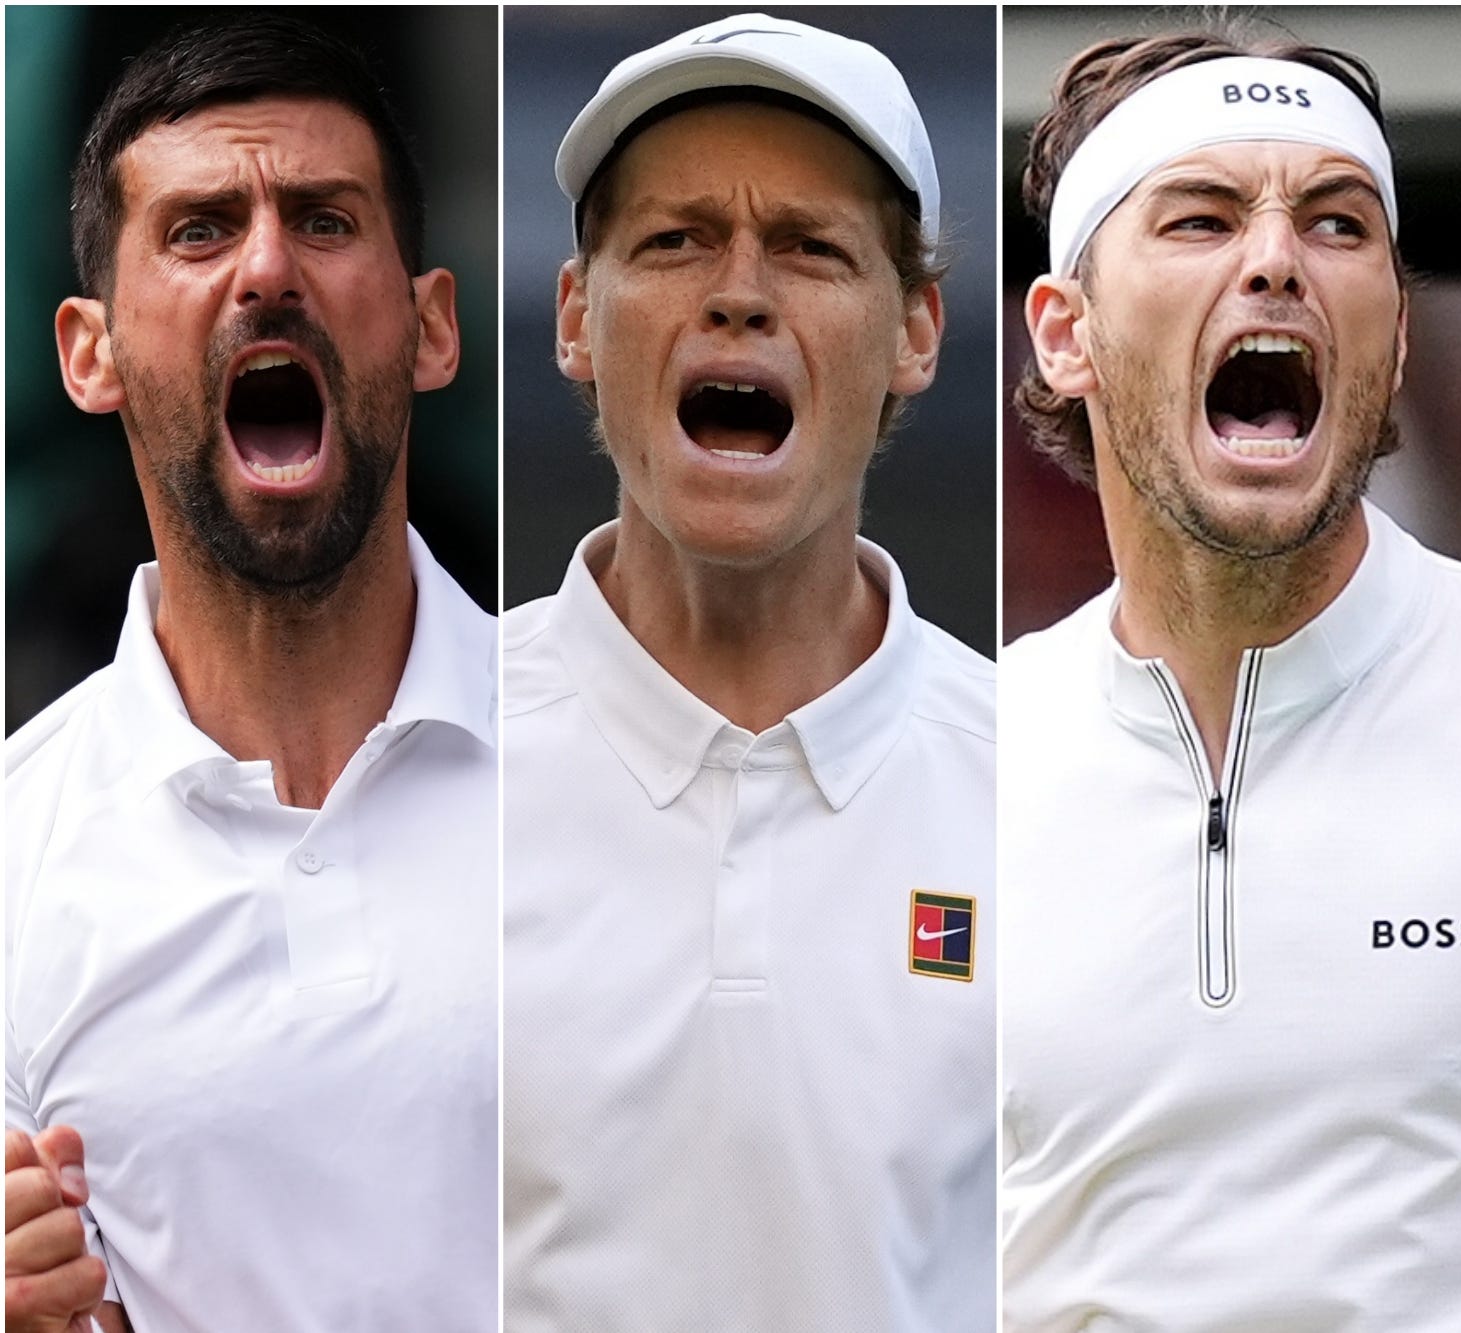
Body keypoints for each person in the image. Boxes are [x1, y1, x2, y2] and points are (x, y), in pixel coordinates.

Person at [500, 14, 994, 1331]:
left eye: (810, 248)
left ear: (917, 334)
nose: (738, 290)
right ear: (575, 320)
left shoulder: (1052, 791)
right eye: (673, 241)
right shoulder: (412, 755)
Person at [4, 16, 497, 1333]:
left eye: (326, 221)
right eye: (202, 228)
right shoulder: (13, 852)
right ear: (88, 353)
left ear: (432, 326)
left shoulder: (634, 764)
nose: (269, 266)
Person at [1002, 30, 1461, 1330]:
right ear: (1067, 333)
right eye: (1201, 217)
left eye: (1339, 224)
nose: (1276, 257)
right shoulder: (951, 758)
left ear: (1392, 338)